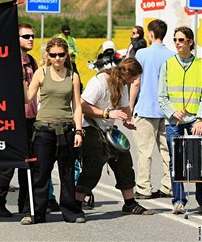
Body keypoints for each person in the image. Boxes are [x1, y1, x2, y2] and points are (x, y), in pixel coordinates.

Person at [0, 24, 58, 218]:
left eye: (32, 36)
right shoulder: (8, 61)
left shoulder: (32, 61)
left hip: (31, 118)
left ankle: (25, 204)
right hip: (12, 119)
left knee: (30, 164)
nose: (30, 39)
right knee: (7, 165)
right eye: (26, 36)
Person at [75, 58, 154, 215]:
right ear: (126, 74)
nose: (135, 81)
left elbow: (125, 107)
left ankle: (130, 203)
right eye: (134, 77)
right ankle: (76, 204)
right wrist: (106, 113)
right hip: (89, 126)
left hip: (107, 128)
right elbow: (81, 105)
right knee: (94, 165)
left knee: (124, 159)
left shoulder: (122, 85)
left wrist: (128, 120)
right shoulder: (100, 81)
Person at [20, 37, 85, 225]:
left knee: (67, 173)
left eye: (61, 55)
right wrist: (23, 81)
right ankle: (34, 213)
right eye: (53, 55)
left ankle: (71, 212)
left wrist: (79, 131)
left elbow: (77, 106)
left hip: (66, 130)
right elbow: (28, 99)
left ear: (66, 55)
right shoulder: (41, 73)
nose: (57, 58)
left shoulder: (73, 76)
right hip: (44, 131)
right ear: (47, 55)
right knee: (41, 173)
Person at [158, 26, 202, 214]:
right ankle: (178, 200)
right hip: (173, 120)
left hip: (195, 120)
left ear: (190, 42)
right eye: (175, 40)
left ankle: (201, 201)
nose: (177, 43)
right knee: (176, 160)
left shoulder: (200, 65)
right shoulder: (167, 64)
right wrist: (173, 112)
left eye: (181, 40)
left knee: (198, 159)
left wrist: (200, 118)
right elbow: (161, 96)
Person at [129, 19, 175, 200]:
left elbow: (136, 81)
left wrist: (130, 106)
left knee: (144, 152)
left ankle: (144, 188)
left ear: (150, 33)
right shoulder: (172, 55)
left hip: (146, 108)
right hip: (167, 111)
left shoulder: (142, 53)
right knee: (167, 152)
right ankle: (169, 186)